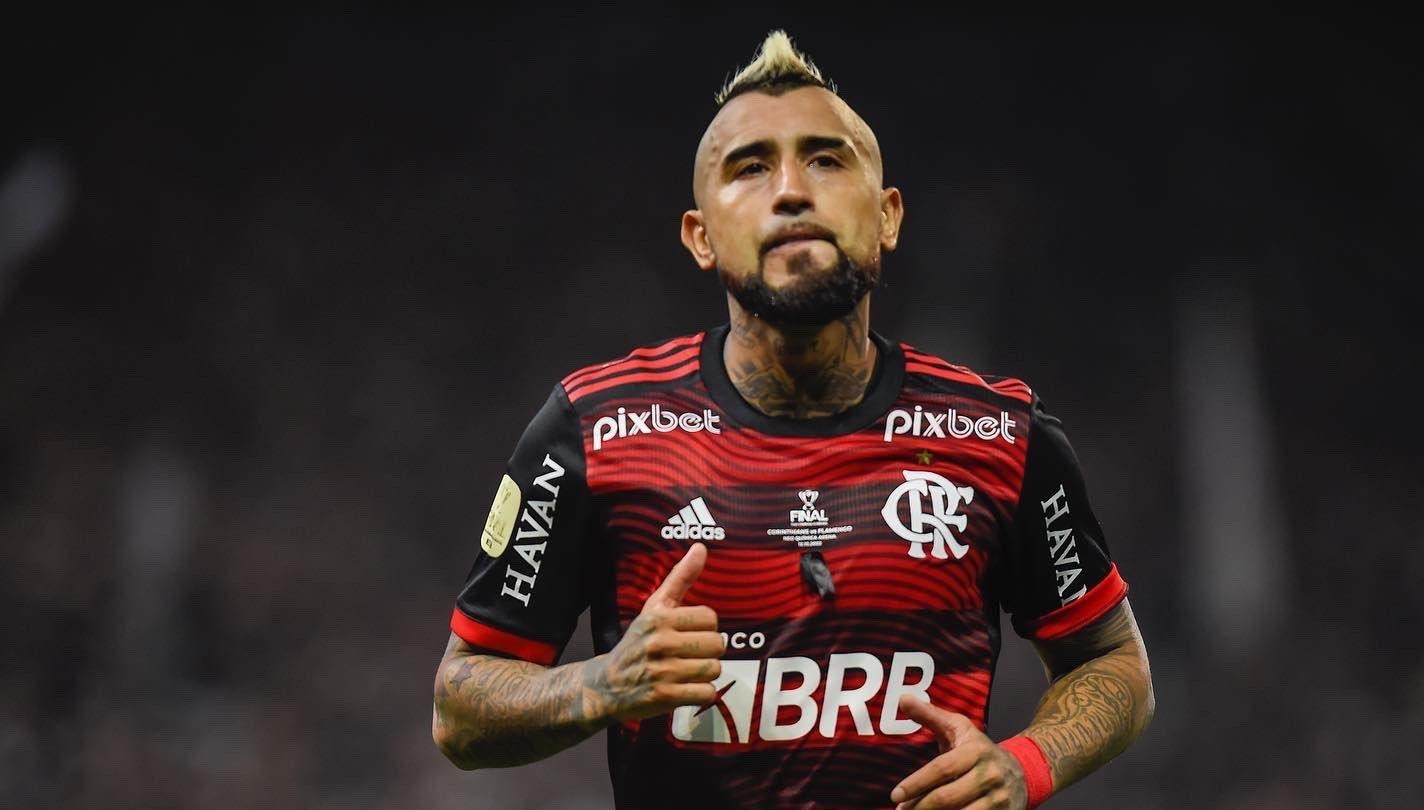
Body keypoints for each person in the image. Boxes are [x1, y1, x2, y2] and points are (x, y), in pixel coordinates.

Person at [432, 30, 1154, 810]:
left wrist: (1026, 765)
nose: (790, 191)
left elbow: (1113, 663)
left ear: (888, 217)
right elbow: (460, 709)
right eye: (749, 167)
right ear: (701, 237)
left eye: (826, 160)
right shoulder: (594, 429)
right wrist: (600, 685)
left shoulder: (1001, 436)